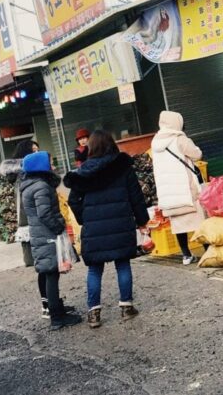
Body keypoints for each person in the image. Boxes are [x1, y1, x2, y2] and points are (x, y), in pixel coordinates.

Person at [64, 130, 150, 329]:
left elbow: (73, 200)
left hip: (94, 228)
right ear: (112, 144)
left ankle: (94, 313)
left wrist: (84, 218)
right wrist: (142, 220)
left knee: (94, 269)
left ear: (91, 148)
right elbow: (136, 196)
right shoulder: (122, 167)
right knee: (123, 263)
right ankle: (126, 307)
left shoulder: (84, 172)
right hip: (121, 224)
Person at [20, 151, 82, 330]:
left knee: (50, 273)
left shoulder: (31, 185)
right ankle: (57, 317)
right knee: (52, 274)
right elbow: (45, 213)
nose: (53, 166)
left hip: (41, 235)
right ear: (41, 167)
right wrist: (58, 226)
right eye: (50, 163)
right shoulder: (40, 186)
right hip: (47, 236)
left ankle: (56, 309)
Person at [150, 111, 203, 265]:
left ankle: (186, 255)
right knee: (199, 220)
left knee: (179, 224)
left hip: (169, 194)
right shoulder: (179, 139)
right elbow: (197, 155)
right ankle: (208, 249)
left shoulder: (155, 142)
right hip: (186, 189)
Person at [1, 139, 39, 269]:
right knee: (26, 227)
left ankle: (34, 258)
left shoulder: (31, 165)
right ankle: (30, 259)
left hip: (29, 198)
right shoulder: (23, 168)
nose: (37, 153)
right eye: (34, 151)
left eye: (37, 150)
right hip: (24, 200)